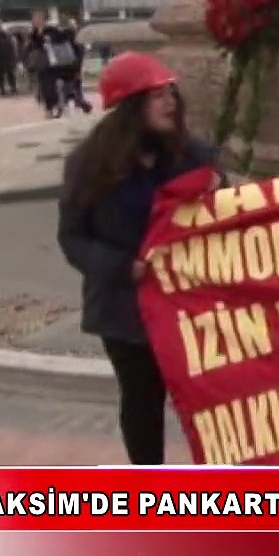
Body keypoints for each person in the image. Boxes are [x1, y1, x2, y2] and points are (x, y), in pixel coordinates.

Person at [56, 52, 224, 465]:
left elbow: (226, 219)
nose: (170, 103)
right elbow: (72, 237)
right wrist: (120, 266)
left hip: (188, 306)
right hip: (125, 311)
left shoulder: (194, 155)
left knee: (206, 399)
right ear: (131, 108)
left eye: (171, 93)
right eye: (156, 96)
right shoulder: (90, 164)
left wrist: (222, 190)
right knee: (142, 402)